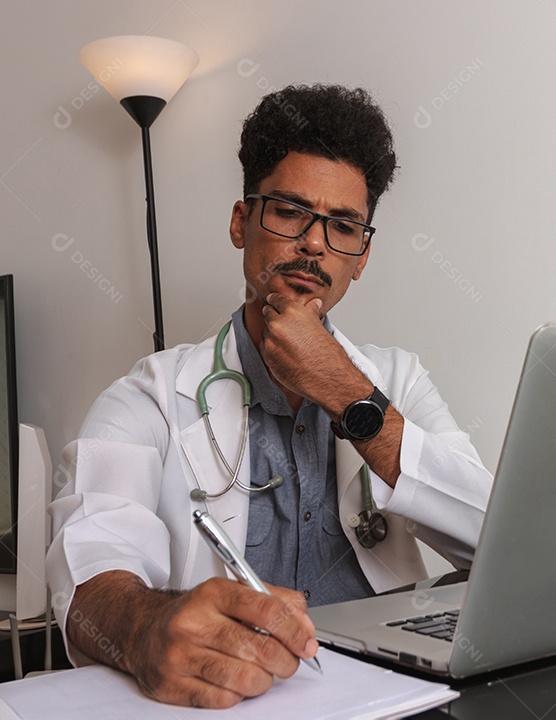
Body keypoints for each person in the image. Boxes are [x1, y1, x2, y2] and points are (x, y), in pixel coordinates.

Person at [45, 84, 493, 708]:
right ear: (241, 222)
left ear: (362, 256)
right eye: (289, 212)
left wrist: (348, 396)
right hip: (236, 702)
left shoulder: (399, 382)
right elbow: (90, 572)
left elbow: (498, 542)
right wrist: (146, 627)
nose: (314, 243)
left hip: (391, 701)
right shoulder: (146, 398)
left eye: (343, 226)